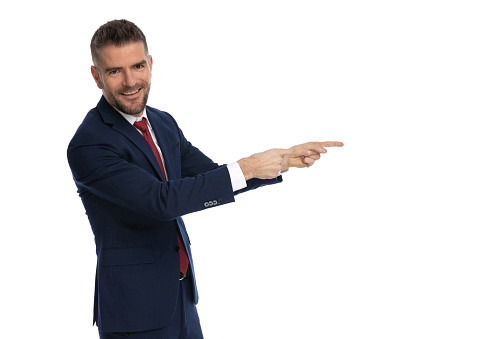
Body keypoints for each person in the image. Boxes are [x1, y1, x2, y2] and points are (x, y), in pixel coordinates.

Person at [67, 19, 343, 339]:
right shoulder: (89, 144)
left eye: (138, 65)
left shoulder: (162, 122)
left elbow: (208, 175)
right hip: (134, 311)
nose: (131, 81)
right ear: (96, 76)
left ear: (151, 64)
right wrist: (248, 167)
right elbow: (161, 201)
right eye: (115, 71)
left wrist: (280, 163)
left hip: (181, 297)